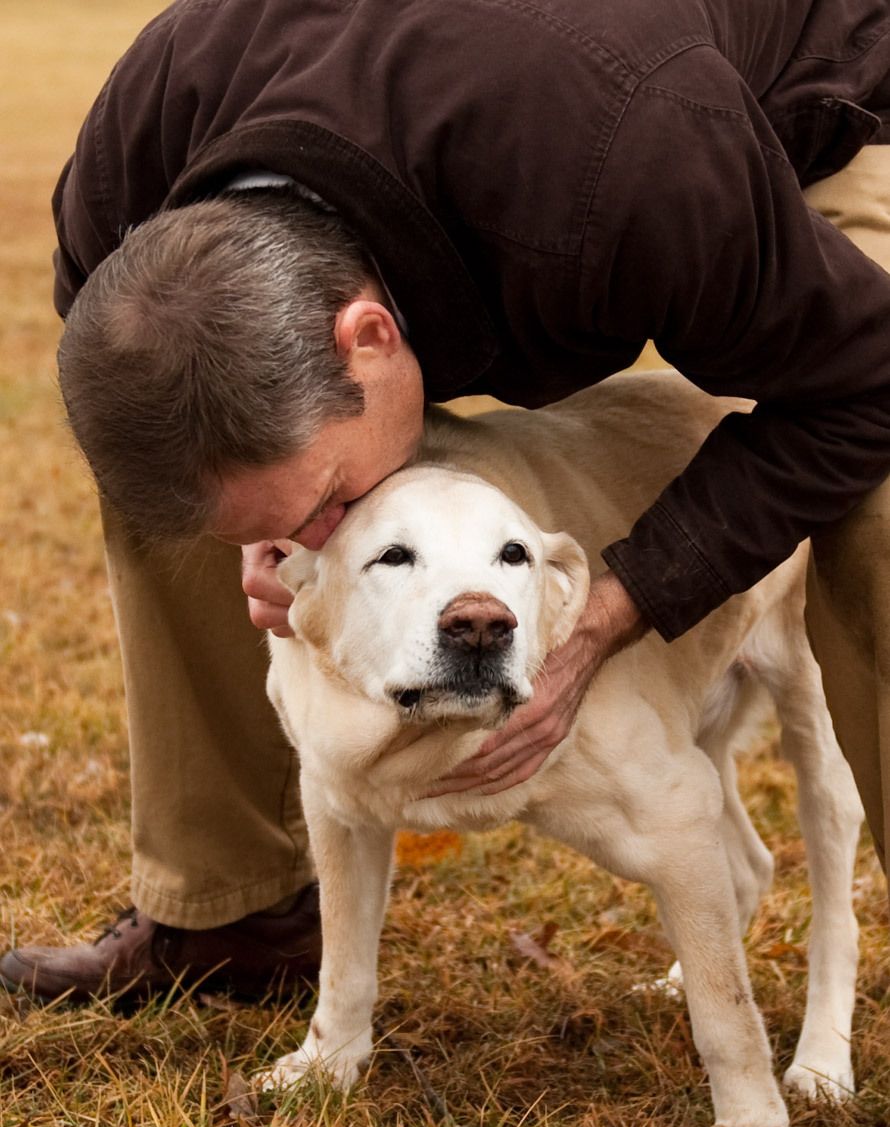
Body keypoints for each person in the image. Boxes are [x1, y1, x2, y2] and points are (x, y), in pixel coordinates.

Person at [2, 0, 889, 1002]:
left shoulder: (633, 159)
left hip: (776, 115)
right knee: (183, 473)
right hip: (526, 157)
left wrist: (606, 611)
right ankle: (230, 914)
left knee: (876, 507)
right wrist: (274, 531)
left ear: (370, 338)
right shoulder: (135, 166)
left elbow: (861, 381)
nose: (309, 544)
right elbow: (167, 420)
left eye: (327, 502)